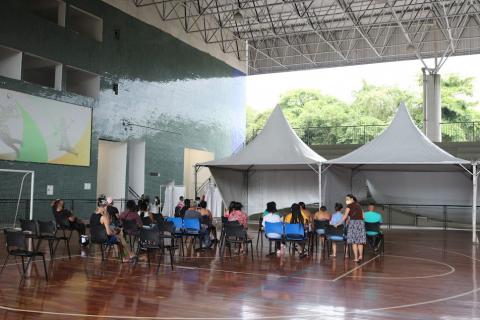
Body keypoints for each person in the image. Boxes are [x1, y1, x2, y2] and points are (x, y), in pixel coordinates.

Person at [90, 198, 135, 263]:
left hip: (93, 238)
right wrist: (114, 233)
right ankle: (127, 256)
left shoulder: (92, 215)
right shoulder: (103, 217)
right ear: (105, 206)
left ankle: (129, 255)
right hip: (103, 239)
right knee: (120, 238)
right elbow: (108, 233)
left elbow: (98, 228)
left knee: (117, 236)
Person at [335, 194, 366, 263]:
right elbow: (363, 216)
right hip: (360, 224)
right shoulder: (359, 206)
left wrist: (338, 223)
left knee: (354, 242)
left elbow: (344, 217)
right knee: (360, 242)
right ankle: (360, 256)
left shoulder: (348, 206)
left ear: (352, 199)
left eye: (347, 199)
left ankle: (356, 258)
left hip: (353, 224)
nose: (346, 200)